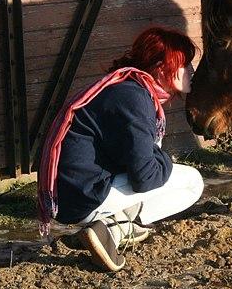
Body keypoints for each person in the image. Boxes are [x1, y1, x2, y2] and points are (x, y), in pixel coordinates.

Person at [37, 27, 204, 271]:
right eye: (184, 64)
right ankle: (114, 229)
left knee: (166, 173)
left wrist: (155, 159)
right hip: (82, 197)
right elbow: (145, 178)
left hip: (75, 194)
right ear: (161, 68)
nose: (191, 70)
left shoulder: (128, 88)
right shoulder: (134, 97)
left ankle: (107, 226)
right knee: (192, 181)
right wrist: (165, 159)